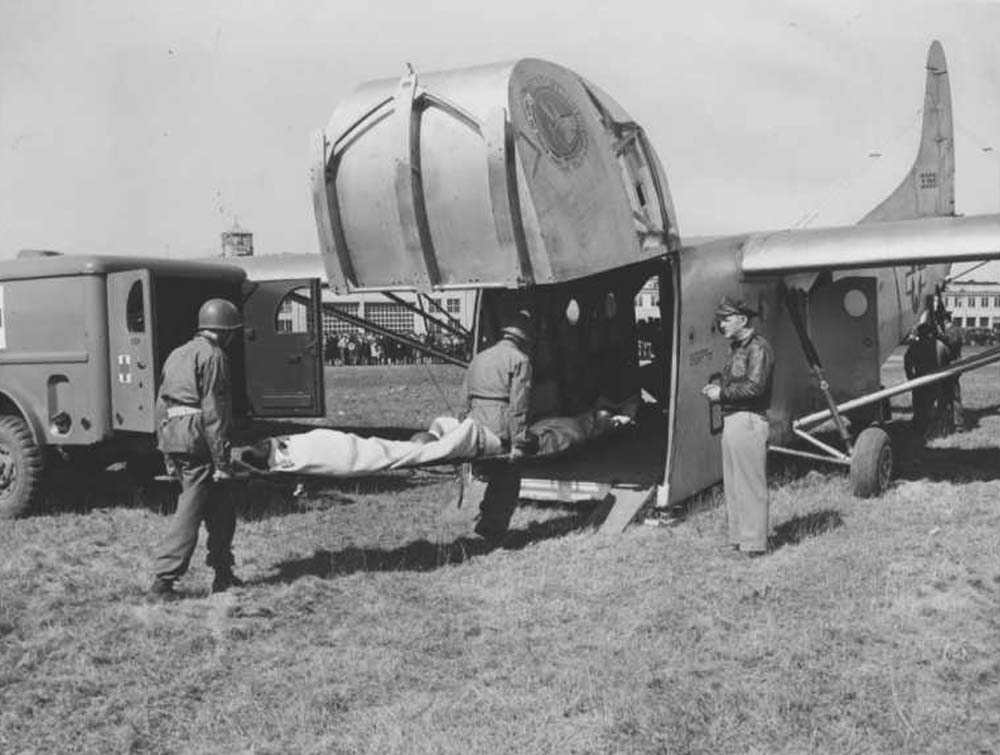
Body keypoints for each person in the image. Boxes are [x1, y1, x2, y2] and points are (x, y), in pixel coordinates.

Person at [149, 298, 244, 600]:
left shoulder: (177, 353)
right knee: (190, 508)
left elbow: (161, 404)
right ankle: (163, 581)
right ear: (224, 331)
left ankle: (223, 572)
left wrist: (164, 449)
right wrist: (222, 461)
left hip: (174, 435)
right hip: (197, 439)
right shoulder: (214, 356)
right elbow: (215, 411)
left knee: (221, 507)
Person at [701, 297, 774, 557]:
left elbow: (756, 387)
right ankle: (739, 539)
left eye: (726, 318)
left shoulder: (758, 348)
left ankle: (754, 545)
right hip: (735, 419)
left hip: (748, 419)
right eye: (720, 319)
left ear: (742, 319)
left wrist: (721, 394)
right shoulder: (739, 348)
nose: (721, 324)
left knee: (750, 484)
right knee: (733, 484)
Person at [459, 311, 538, 458]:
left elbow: (464, 398)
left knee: (480, 474)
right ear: (524, 340)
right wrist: (519, 443)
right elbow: (518, 406)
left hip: (474, 425)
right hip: (500, 429)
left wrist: (463, 429)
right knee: (504, 477)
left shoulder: (479, 358)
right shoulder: (520, 360)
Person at [904, 321, 951, 436]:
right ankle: (939, 429)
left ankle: (919, 427)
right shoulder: (940, 345)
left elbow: (907, 361)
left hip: (920, 379)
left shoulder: (915, 346)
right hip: (937, 379)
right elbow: (948, 361)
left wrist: (910, 377)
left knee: (919, 405)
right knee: (936, 404)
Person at [940, 311, 965, 431]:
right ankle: (950, 421)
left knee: (953, 395)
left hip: (952, 366)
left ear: (945, 320)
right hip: (951, 366)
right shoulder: (953, 330)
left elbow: (952, 342)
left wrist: (940, 336)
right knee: (948, 395)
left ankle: (958, 423)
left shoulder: (953, 330)